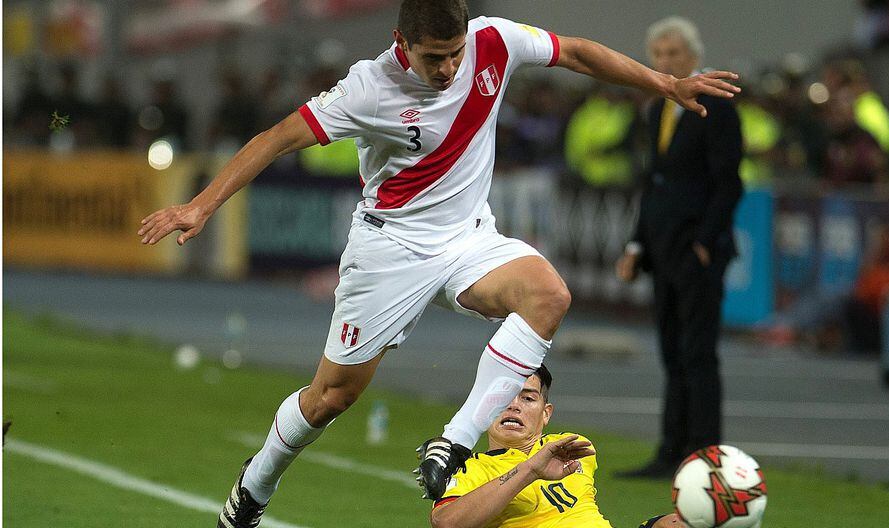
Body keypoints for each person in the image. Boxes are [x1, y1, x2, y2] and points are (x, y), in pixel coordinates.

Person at [138, 2, 740, 525]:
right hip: (389, 250)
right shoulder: (367, 88)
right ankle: (256, 484)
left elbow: (577, 53)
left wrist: (665, 84)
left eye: (455, 54)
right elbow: (277, 137)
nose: (450, 68)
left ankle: (452, 443)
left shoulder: (494, 41)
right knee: (330, 398)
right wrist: (200, 205)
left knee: (549, 295)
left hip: (469, 239)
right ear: (402, 43)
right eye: (434, 58)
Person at [615, 17, 743, 479]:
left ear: (694, 57)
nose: (665, 62)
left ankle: (705, 457)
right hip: (662, 250)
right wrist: (636, 244)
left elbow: (729, 183)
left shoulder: (717, 106)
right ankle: (671, 451)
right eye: (659, 55)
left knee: (698, 353)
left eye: (674, 54)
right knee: (672, 353)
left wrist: (706, 242)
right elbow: (654, 184)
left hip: (695, 249)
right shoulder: (658, 110)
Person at [429, 365, 680, 528]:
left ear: (546, 413)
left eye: (528, 398)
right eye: (504, 398)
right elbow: (446, 523)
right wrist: (530, 470)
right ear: (484, 410)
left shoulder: (571, 447)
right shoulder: (470, 469)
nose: (514, 406)